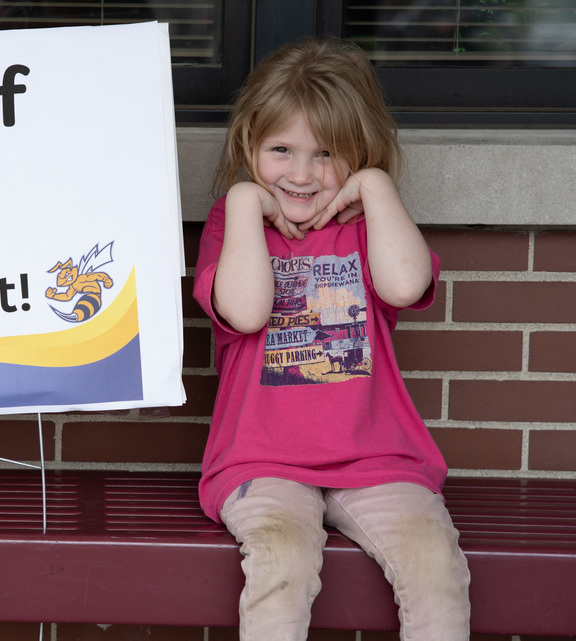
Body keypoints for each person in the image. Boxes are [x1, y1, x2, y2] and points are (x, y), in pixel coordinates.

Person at [192, 36, 471, 641]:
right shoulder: (234, 225)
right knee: (281, 562)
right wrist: (242, 200)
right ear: (249, 145)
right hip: (262, 460)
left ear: (360, 151)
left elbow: (405, 284)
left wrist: (374, 186)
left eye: (326, 153)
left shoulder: (370, 227)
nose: (300, 174)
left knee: (434, 564)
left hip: (376, 458)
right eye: (281, 150)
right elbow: (245, 312)